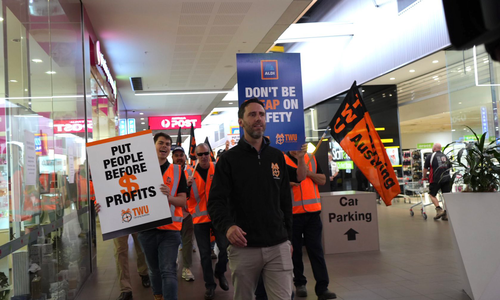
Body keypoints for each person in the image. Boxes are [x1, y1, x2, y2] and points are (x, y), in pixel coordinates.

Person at [208, 98, 295, 300]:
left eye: (262, 115)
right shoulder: (229, 160)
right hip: (244, 246)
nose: (258, 119)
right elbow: (215, 201)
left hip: (278, 244)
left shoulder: (276, 156)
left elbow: (285, 200)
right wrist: (228, 226)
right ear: (241, 121)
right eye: (252, 114)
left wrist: (289, 237)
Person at [137, 132, 188, 300]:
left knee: (168, 270)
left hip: (170, 230)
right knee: (154, 270)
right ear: (153, 146)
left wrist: (169, 197)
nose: (164, 146)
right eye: (161, 143)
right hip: (147, 229)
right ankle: (158, 296)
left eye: (167, 143)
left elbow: (182, 201)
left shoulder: (177, 171)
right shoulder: (140, 169)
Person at [284, 148, 337, 300]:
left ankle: (322, 287)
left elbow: (322, 180)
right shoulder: (282, 158)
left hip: (313, 212)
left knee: (316, 250)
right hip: (292, 214)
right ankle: (300, 283)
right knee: (295, 253)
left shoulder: (311, 158)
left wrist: (307, 173)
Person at [187, 143, 230, 300]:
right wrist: (187, 186)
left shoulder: (217, 168)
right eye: (200, 154)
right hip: (199, 219)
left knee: (225, 248)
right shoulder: (189, 173)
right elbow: (183, 196)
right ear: (196, 156)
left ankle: (220, 272)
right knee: (205, 255)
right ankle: (209, 285)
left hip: (218, 216)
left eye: (206, 153)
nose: (204, 156)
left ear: (210, 154)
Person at [171, 146, 195, 282]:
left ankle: (186, 267)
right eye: (176, 155)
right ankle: (172, 265)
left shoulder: (191, 171)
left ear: (185, 157)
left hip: (187, 214)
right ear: (172, 157)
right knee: (172, 241)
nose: (179, 157)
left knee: (187, 242)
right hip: (172, 214)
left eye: (181, 155)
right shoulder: (168, 172)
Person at [113, 234, 151, 300]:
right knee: (120, 251)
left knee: (141, 246)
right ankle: (125, 289)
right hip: (118, 224)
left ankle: (144, 272)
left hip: (137, 223)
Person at [422, 143, 451, 221]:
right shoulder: (445, 156)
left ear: (434, 148)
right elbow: (450, 167)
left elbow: (425, 169)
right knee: (446, 196)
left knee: (432, 194)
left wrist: (424, 177)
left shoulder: (430, 156)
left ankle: (439, 210)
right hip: (447, 178)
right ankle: (446, 214)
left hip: (435, 179)